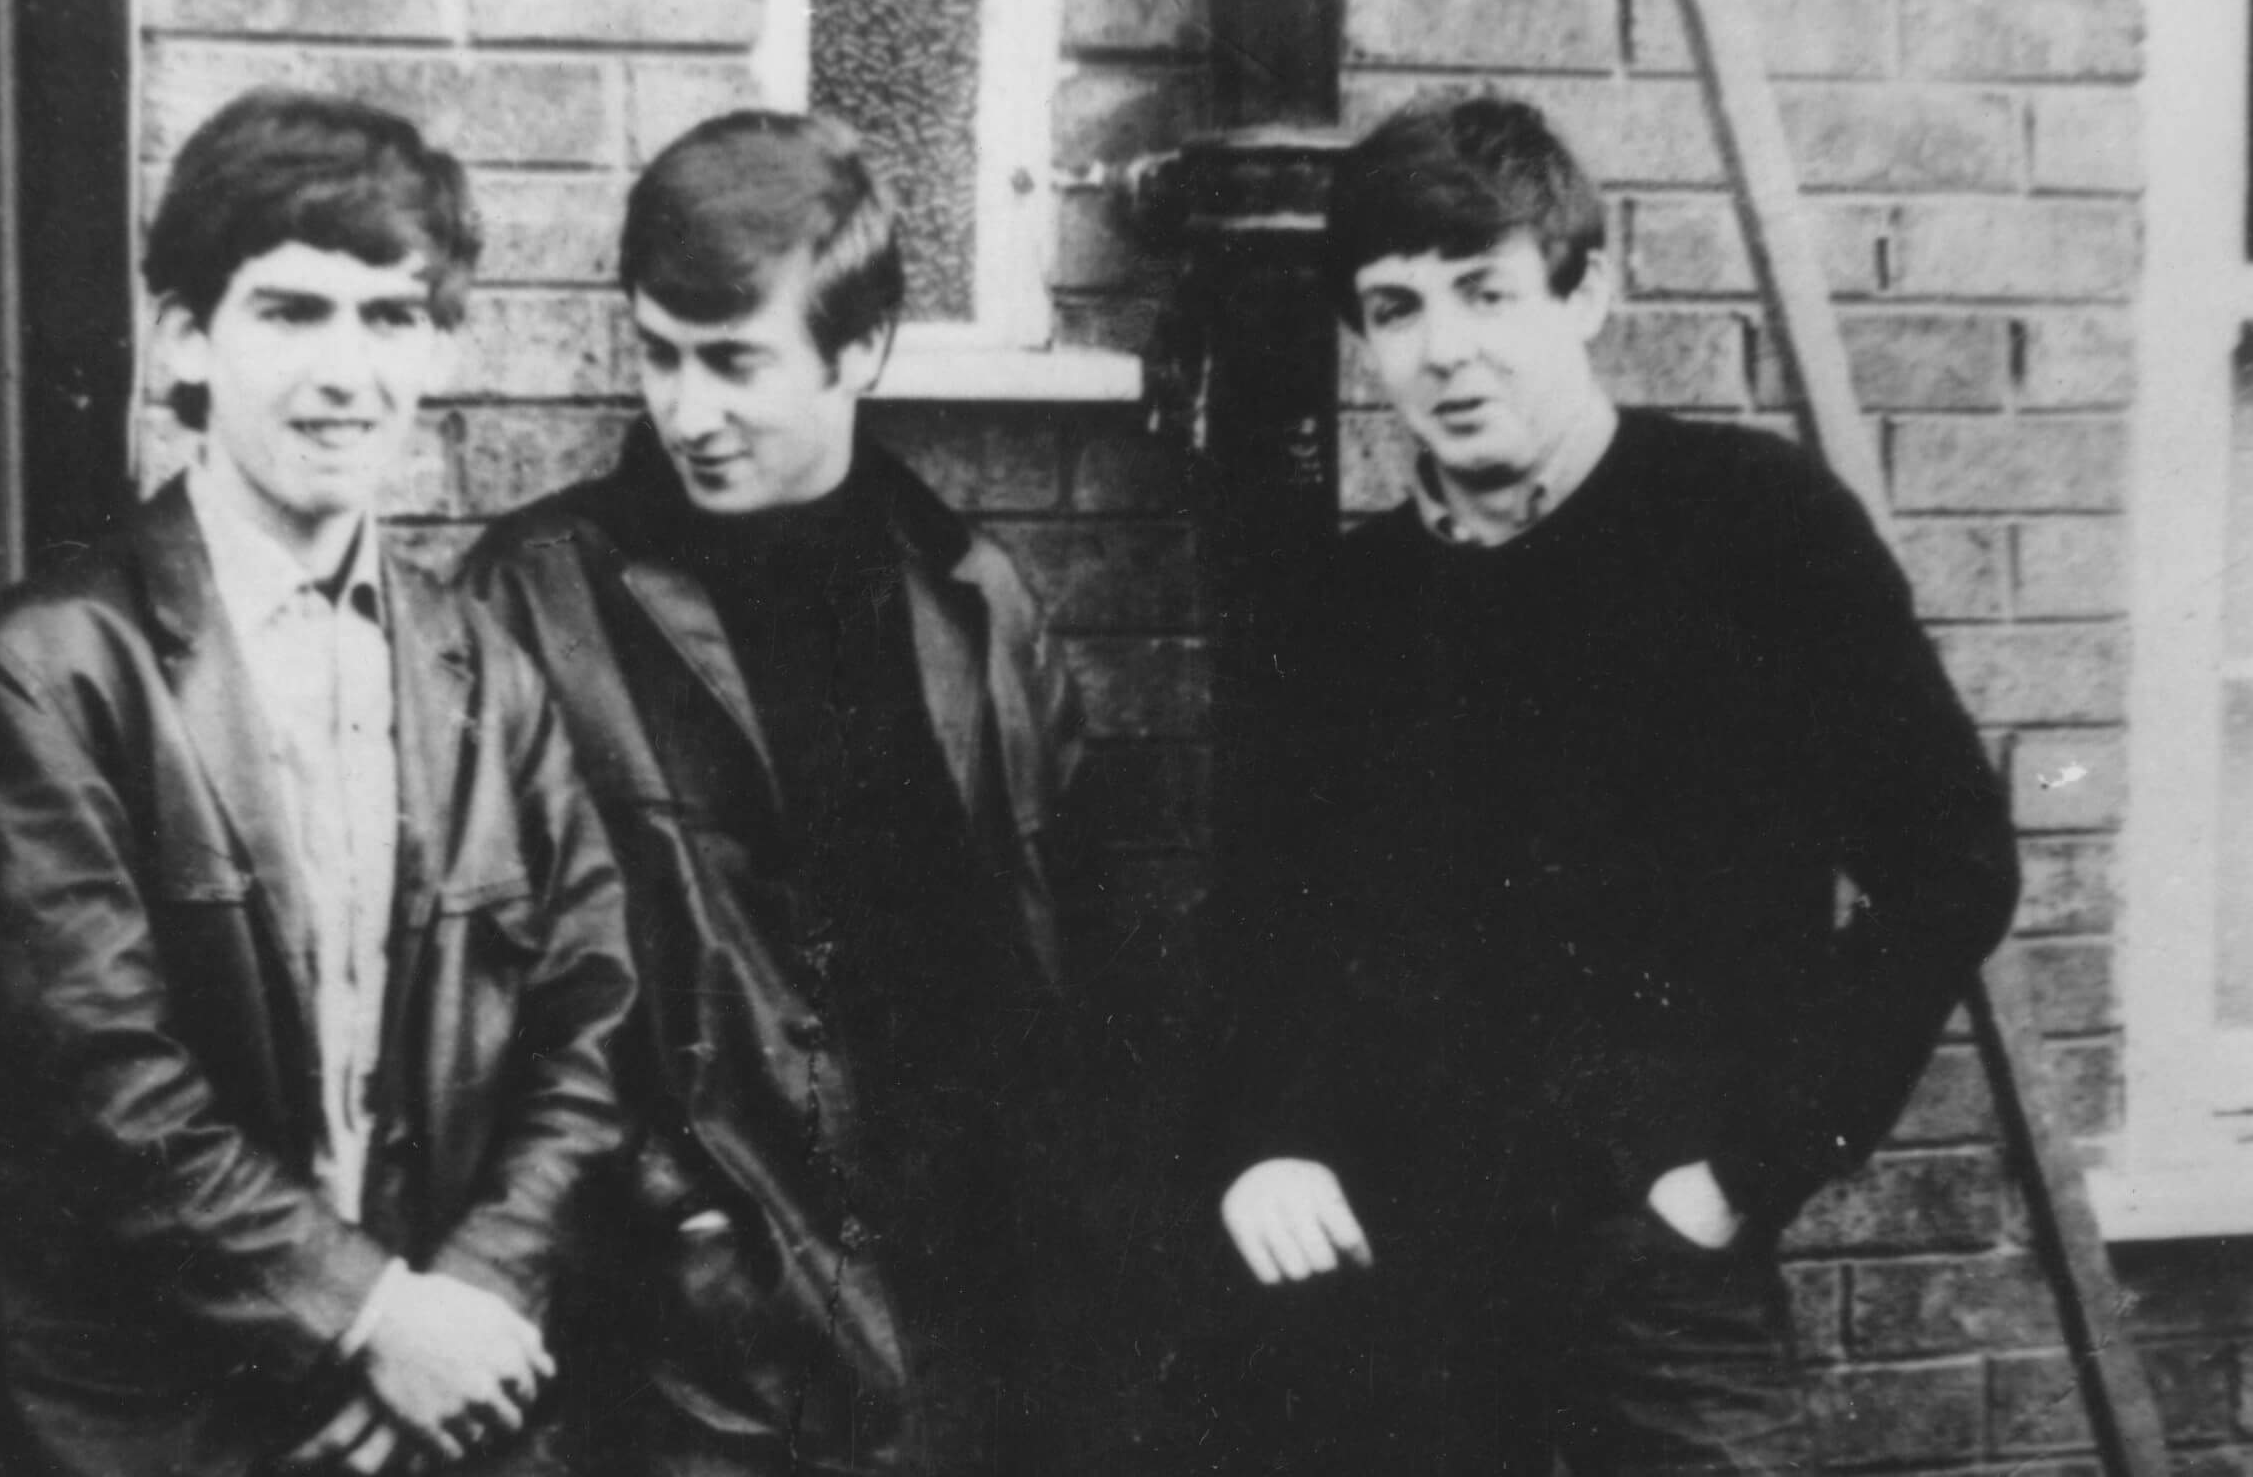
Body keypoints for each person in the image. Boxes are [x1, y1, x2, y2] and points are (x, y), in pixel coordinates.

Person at [1208, 94, 2021, 1474]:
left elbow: (1951, 866)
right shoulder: (1338, 609)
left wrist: (1746, 1173)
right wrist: (1263, 1146)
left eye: (1488, 292)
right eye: (1397, 309)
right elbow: (1261, 926)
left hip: (1659, 1274)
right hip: (1396, 1277)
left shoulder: (1752, 529)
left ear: (1587, 293)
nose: (1446, 350)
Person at [0, 89, 637, 1477]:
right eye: (291, 312)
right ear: (188, 337)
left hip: (441, 1421)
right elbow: (104, 1090)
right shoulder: (54, 671)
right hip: (164, 1427)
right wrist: (368, 1316)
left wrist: (468, 1309)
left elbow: (590, 1017)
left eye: (390, 318)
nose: (346, 372)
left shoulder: (481, 668)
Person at [466, 111, 1113, 1476]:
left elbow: (1068, 958)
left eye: (734, 361)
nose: (686, 410)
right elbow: (500, 1006)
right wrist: (695, 1245)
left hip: (987, 1333)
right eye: (658, 355)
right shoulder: (536, 598)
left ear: (860, 348)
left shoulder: (975, 599)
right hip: (707, 1362)